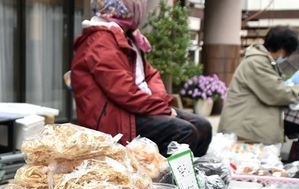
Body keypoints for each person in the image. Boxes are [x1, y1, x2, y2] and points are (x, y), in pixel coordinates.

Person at [71, 0, 212, 158]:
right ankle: (160, 179)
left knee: (203, 126)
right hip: (116, 119)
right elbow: (124, 91)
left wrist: (159, 102)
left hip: (135, 109)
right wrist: (161, 108)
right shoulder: (100, 40)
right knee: (185, 132)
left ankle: (189, 177)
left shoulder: (126, 37)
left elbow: (150, 74)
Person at [219, 25, 299, 163]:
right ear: (283, 49)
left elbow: (274, 89)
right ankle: (297, 165)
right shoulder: (256, 62)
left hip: (260, 112)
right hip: (249, 120)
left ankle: (298, 165)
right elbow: (277, 93)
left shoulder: (262, 60)